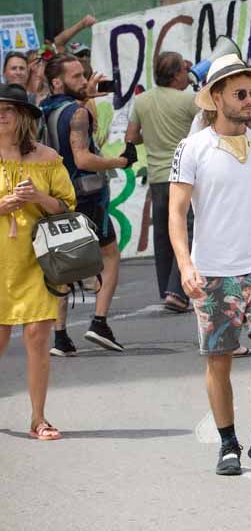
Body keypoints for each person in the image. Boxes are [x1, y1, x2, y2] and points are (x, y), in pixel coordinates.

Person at [168, 52, 251, 477]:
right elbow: (177, 211)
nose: (249, 100)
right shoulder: (192, 148)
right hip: (212, 272)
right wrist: (186, 265)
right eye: (240, 94)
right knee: (219, 360)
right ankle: (227, 443)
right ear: (216, 97)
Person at [40, 54, 131, 355]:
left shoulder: (42, 110)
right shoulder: (77, 114)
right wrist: (120, 161)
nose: (84, 79)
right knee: (110, 256)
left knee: (62, 263)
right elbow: (83, 158)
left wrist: (87, 97)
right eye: (77, 76)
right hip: (86, 197)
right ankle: (99, 322)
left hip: (54, 197)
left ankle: (61, 337)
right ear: (57, 81)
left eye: (84, 74)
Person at [0, 84, 76, 441]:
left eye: (9, 108)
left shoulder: (47, 158)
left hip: (39, 260)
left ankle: (37, 418)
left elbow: (67, 208)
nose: (1, 114)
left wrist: (38, 197)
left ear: (25, 116)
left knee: (37, 335)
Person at [125, 52, 198, 312]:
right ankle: (178, 290)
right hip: (184, 176)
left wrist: (154, 136)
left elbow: (132, 137)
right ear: (178, 74)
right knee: (187, 232)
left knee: (164, 234)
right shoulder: (189, 100)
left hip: (157, 176)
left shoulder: (142, 100)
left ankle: (166, 288)